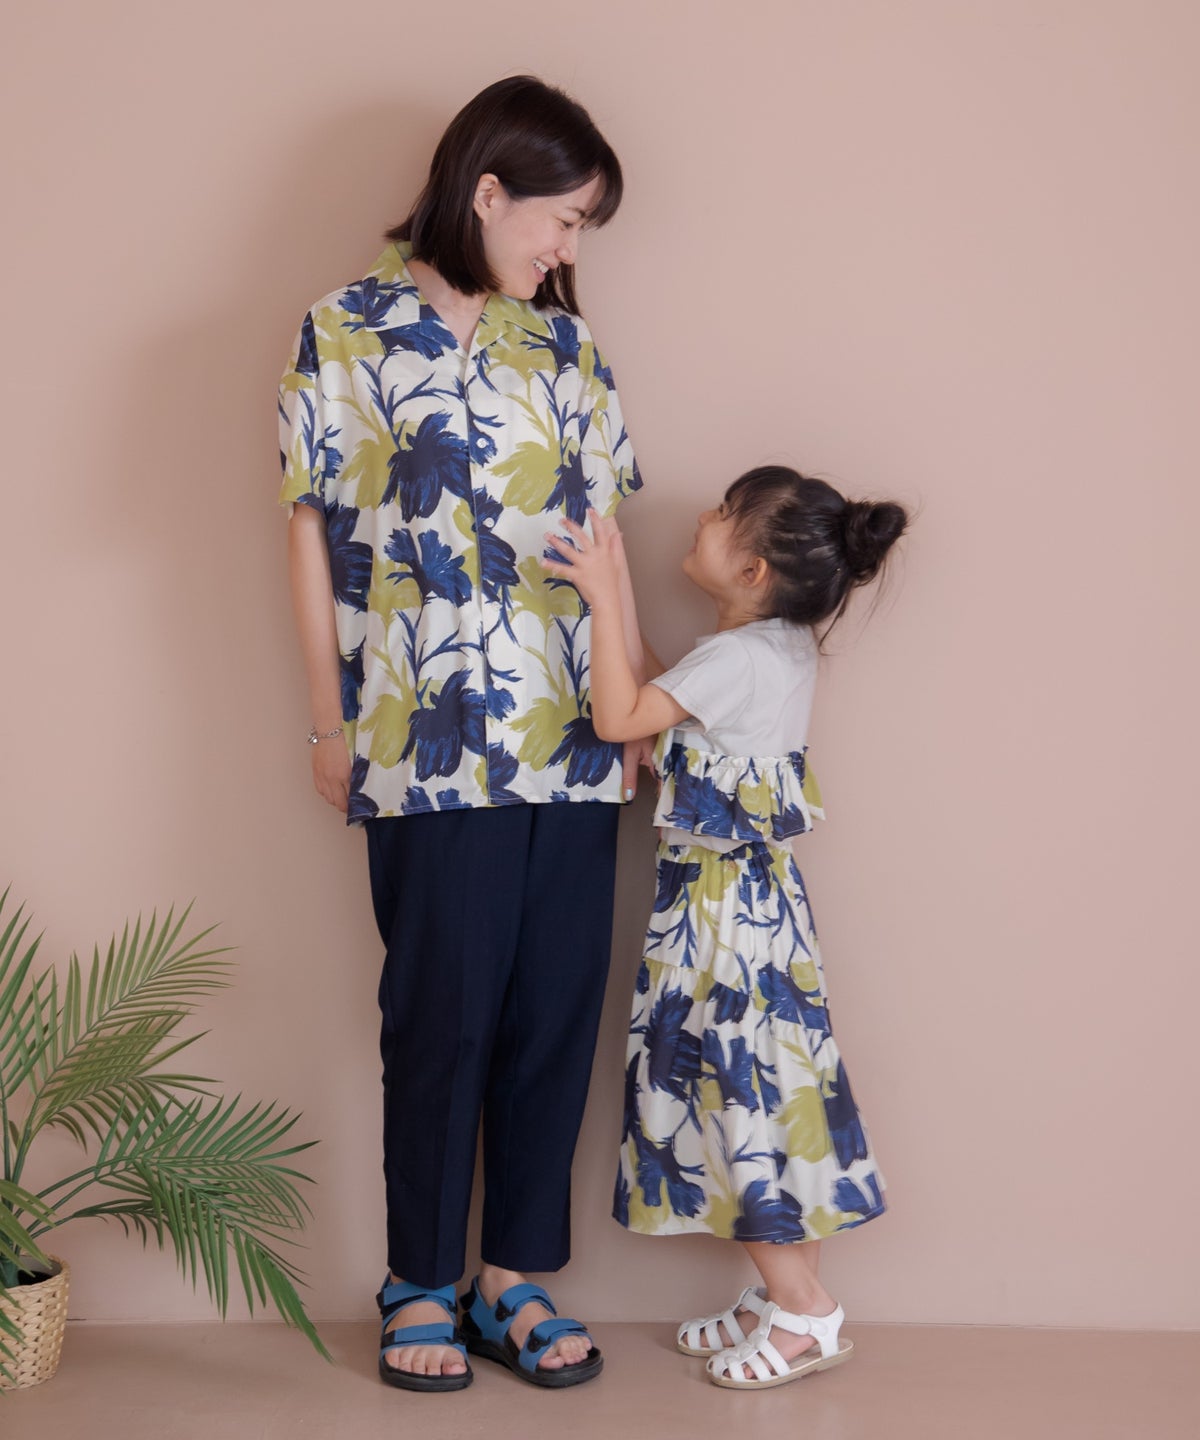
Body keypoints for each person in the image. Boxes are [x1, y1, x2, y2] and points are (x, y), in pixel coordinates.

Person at [278, 76, 642, 1392]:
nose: (569, 245)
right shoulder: (344, 331)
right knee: (439, 1020)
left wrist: (632, 699)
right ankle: (420, 1281)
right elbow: (310, 534)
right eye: (564, 218)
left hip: (574, 739)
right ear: (488, 191)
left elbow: (608, 543)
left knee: (553, 1018)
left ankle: (512, 1281)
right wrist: (326, 722)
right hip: (423, 740)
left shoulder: (568, 351)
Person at [542, 465, 906, 1390]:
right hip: (762, 907)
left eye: (723, 515)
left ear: (751, 570)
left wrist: (598, 599)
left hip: (715, 918)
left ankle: (805, 1312)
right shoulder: (773, 648)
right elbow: (666, 692)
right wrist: (618, 591)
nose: (702, 517)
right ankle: (783, 1298)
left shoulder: (735, 660)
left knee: (735, 1099)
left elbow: (621, 714)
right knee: (770, 1094)